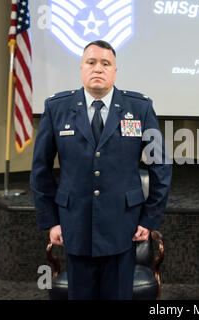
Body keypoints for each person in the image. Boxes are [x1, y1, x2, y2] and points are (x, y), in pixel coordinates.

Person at [30, 40, 172, 300]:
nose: (98, 68)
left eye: (105, 64)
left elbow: (160, 166)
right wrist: (50, 220)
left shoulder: (139, 108)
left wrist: (149, 219)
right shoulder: (57, 108)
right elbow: (40, 170)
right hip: (75, 223)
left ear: (115, 70)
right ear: (81, 68)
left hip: (123, 225)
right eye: (91, 62)